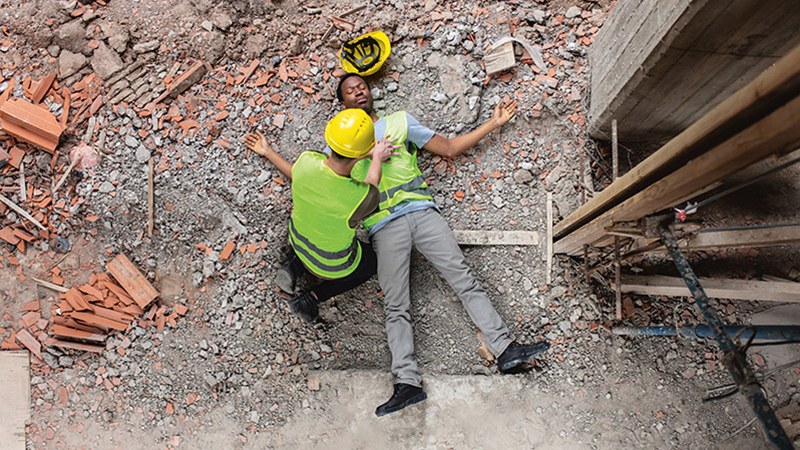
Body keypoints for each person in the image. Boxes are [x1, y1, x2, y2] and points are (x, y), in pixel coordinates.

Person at [337, 73, 551, 417]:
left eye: (361, 86)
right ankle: (407, 384)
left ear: (370, 93)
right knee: (396, 305)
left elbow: (449, 148)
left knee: (463, 278)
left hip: (423, 213)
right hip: (382, 226)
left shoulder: (399, 123)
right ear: (343, 103)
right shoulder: (343, 141)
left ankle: (505, 348)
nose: (358, 91)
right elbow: (331, 183)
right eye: (350, 90)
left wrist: (493, 124)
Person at [244, 108, 394, 323]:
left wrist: (267, 151)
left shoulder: (307, 160)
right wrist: (377, 157)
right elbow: (372, 183)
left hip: (297, 240)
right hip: (331, 265)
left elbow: (296, 172)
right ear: (363, 152)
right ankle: (313, 297)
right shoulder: (361, 198)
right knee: (372, 262)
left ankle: (294, 266)